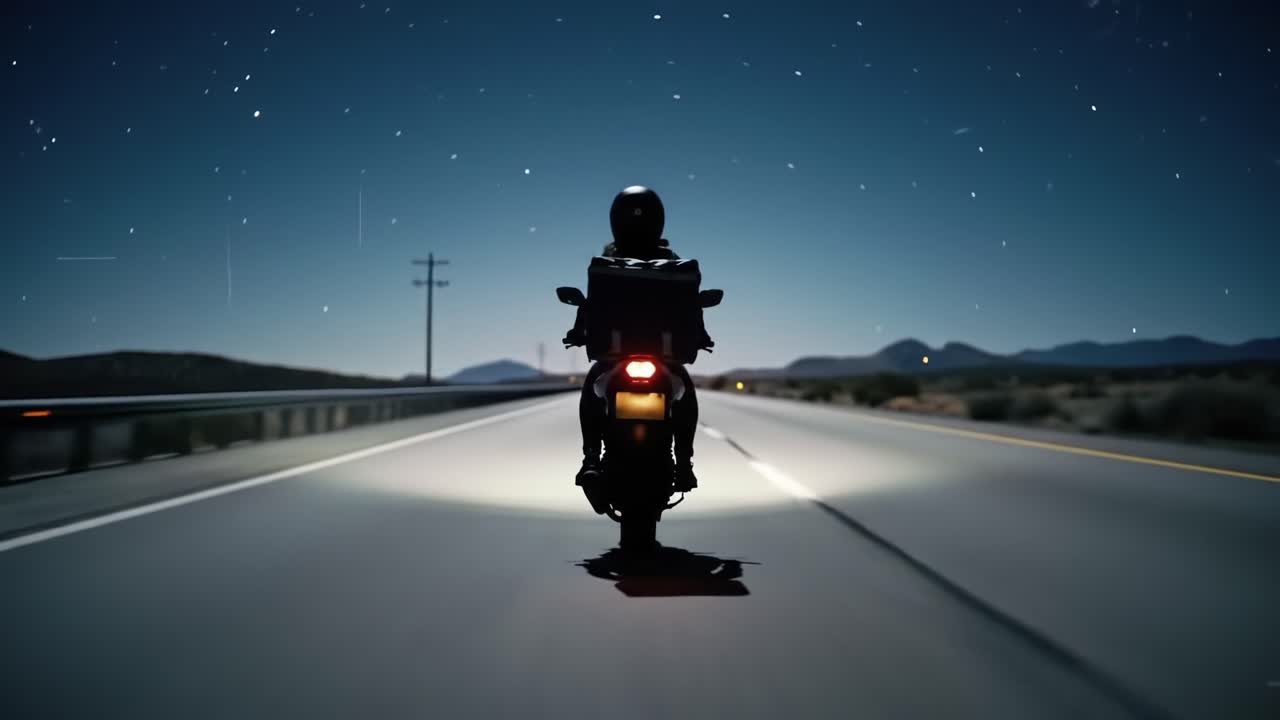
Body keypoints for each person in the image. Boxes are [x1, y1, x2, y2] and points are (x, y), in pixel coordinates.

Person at [563, 186, 705, 504]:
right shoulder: (672, 261)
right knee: (686, 391)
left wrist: (578, 331)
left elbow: (592, 305)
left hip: (616, 355)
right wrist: (700, 333)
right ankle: (684, 463)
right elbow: (689, 307)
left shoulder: (607, 259)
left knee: (591, 387)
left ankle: (590, 459)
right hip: (662, 357)